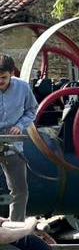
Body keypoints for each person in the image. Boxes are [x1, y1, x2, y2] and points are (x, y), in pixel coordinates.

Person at [0, 54, 38, 221]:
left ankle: (16, 226)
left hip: (12, 145)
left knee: (19, 190)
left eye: (3, 77)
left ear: (11, 73)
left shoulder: (23, 87)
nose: (0, 81)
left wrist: (20, 126)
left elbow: (32, 110)